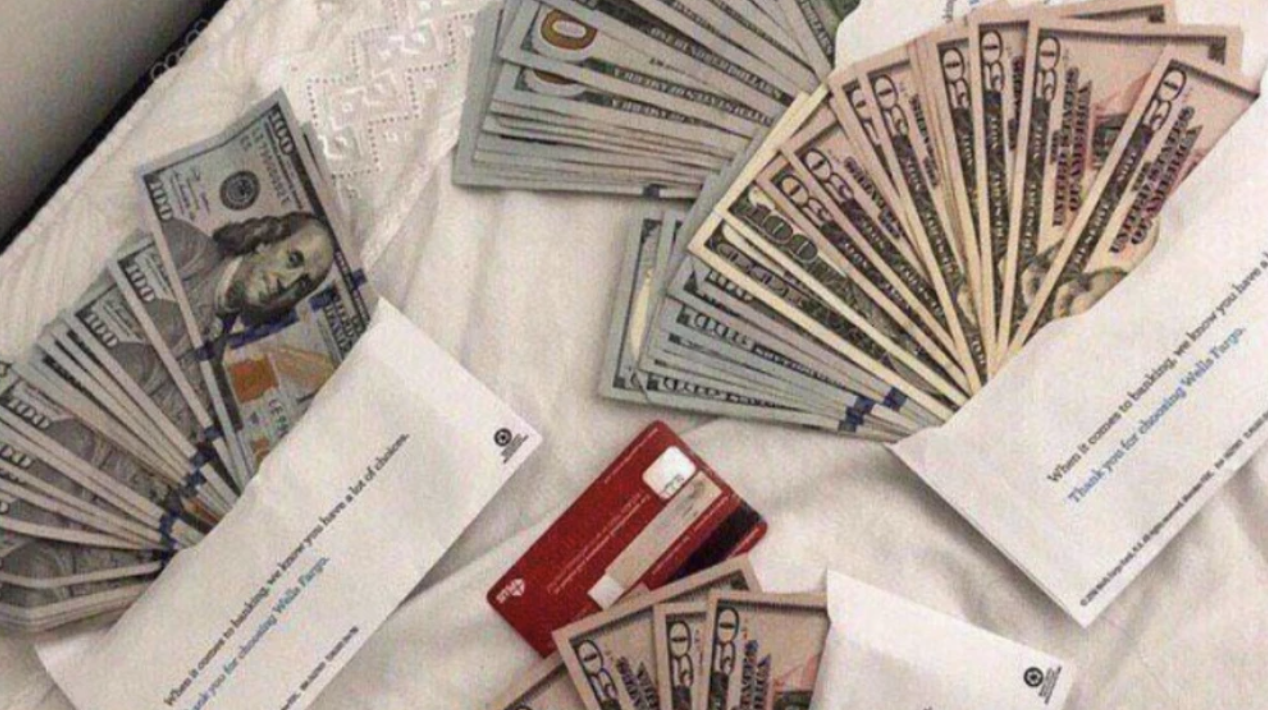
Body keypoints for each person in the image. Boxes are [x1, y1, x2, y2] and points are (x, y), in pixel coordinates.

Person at [162, 211, 337, 350]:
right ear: (265, 243)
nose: (287, 283)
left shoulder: (216, 350)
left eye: (303, 283)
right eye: (292, 260)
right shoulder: (185, 245)